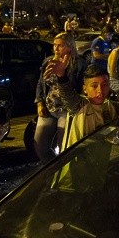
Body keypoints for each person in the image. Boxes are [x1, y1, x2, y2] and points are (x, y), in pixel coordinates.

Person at [42, 62, 119, 152]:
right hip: (74, 163)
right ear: (85, 88)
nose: (100, 91)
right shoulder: (79, 105)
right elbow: (67, 94)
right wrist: (61, 76)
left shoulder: (111, 106)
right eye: (94, 86)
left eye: (104, 85)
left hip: (100, 164)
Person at [33, 32, 87, 163]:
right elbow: (41, 83)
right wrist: (39, 102)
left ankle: (63, 170)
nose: (56, 49)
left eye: (60, 46)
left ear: (70, 46)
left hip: (66, 110)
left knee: (64, 146)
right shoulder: (48, 61)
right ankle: (51, 168)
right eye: (54, 45)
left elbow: (80, 87)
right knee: (40, 145)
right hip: (49, 107)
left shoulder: (79, 63)